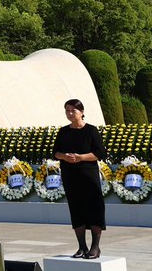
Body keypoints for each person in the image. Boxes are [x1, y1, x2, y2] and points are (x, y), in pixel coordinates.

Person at [54, 98, 108, 259]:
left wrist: (81, 157)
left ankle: (95, 247)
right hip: (70, 175)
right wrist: (64, 156)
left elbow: (100, 153)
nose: (70, 113)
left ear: (82, 112)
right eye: (67, 110)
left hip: (88, 175)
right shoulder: (63, 131)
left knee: (94, 208)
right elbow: (56, 152)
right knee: (76, 209)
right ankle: (82, 247)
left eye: (73, 110)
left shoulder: (91, 130)